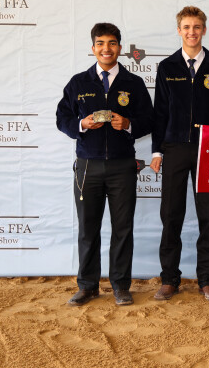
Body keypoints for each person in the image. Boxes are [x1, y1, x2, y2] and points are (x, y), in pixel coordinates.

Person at [56, 23, 154, 306]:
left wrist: (129, 124)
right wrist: (81, 125)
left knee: (123, 228)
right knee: (88, 228)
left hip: (123, 166)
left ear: (120, 49)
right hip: (88, 166)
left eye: (112, 43)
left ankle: (121, 286)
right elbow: (62, 118)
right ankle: (87, 285)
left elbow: (149, 119)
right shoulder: (78, 83)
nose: (106, 49)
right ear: (93, 48)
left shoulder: (133, 84)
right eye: (100, 43)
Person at [150, 6, 209, 301]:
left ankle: (206, 279)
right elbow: (159, 113)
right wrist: (157, 150)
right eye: (186, 27)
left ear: (204, 30)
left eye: (197, 27)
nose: (191, 32)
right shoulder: (167, 67)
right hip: (174, 148)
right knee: (171, 215)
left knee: (208, 216)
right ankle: (169, 279)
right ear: (178, 30)